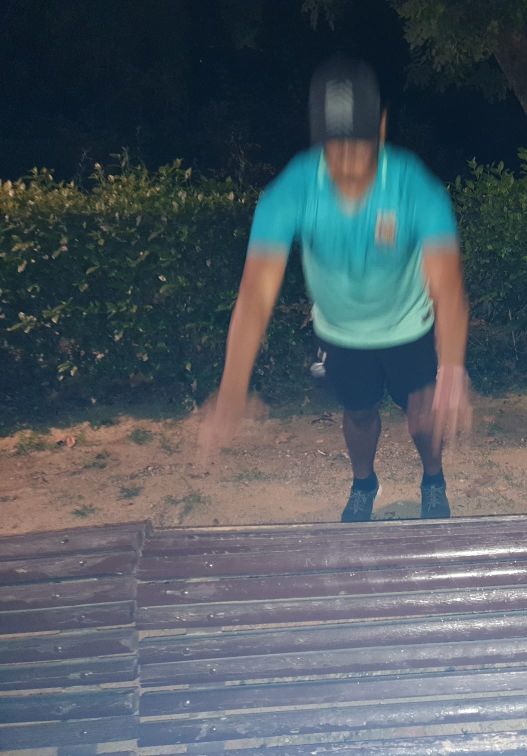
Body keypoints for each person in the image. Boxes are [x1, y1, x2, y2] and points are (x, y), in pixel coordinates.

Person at [199, 56, 472, 523]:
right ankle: (364, 484)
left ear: (381, 128)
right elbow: (256, 294)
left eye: (358, 146)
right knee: (359, 412)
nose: (346, 162)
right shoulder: (293, 189)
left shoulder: (414, 186)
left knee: (425, 415)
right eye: (334, 147)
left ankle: (433, 479)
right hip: (340, 332)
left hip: (409, 326)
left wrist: (450, 369)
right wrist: (232, 387)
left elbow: (448, 289)